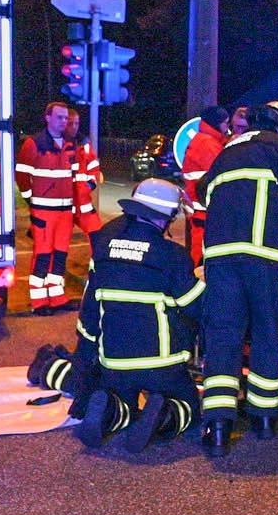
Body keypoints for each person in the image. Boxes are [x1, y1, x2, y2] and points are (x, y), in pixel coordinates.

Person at [29, 178, 205, 452]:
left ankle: (110, 411)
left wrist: (86, 359)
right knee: (189, 407)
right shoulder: (171, 255)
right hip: (163, 365)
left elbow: (89, 313)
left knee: (122, 403)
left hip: (115, 363)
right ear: (165, 218)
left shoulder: (103, 247)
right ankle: (164, 417)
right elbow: (195, 306)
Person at [198, 100, 278, 457]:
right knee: (268, 335)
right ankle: (263, 418)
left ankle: (219, 425)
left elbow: (204, 194)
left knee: (223, 337)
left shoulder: (225, 152)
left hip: (221, 261)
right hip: (267, 260)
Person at [15, 100, 78, 315]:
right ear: (48, 118)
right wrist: (32, 201)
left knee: (60, 254)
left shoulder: (70, 145)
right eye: (59, 117)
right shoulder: (34, 144)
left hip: (64, 212)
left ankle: (57, 297)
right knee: (43, 255)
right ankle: (39, 301)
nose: (63, 121)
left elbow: (75, 178)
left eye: (65, 118)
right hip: (43, 211)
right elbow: (22, 177)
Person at [175, 104, 233, 268]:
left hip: (203, 212)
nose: (227, 127)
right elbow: (223, 174)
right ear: (216, 123)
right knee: (203, 260)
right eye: (225, 123)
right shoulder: (208, 145)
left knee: (201, 256)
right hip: (205, 212)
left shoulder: (205, 141)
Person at [67, 108, 103, 236]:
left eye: (76, 123)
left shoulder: (85, 146)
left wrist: (90, 185)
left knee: (97, 234)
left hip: (82, 201)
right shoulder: (56, 145)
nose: (74, 127)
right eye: (71, 123)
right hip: (64, 204)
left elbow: (94, 168)